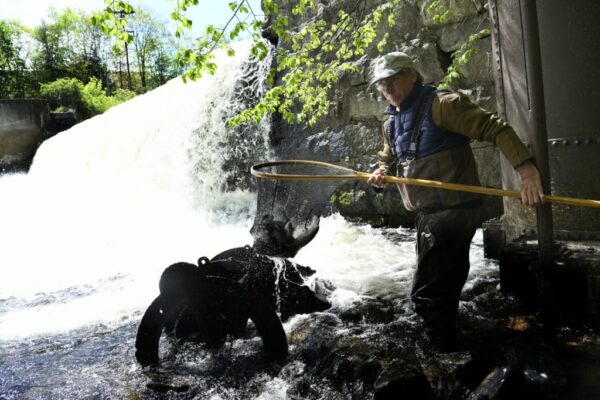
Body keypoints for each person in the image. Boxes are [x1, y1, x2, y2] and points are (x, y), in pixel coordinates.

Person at [366, 51, 545, 352]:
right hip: (426, 213)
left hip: (455, 211)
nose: (388, 89)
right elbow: (388, 159)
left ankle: (445, 356)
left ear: (412, 75)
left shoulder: (443, 105)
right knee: (442, 287)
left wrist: (527, 175)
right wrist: (381, 175)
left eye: (393, 81)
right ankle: (456, 345)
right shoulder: (391, 122)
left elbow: (495, 128)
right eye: (382, 85)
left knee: (426, 294)